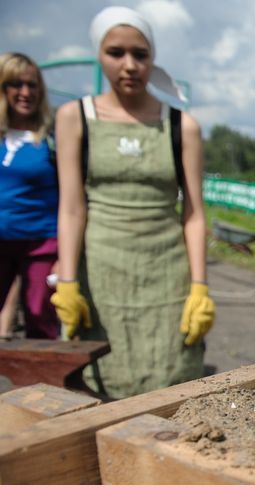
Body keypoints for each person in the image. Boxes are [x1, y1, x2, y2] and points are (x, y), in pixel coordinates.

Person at [51, 6, 214, 399]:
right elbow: (73, 208)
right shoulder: (75, 117)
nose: (129, 65)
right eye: (116, 53)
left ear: (152, 58)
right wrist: (69, 283)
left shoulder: (181, 126)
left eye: (140, 54)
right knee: (96, 383)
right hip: (101, 272)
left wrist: (199, 287)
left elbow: (192, 213)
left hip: (166, 275)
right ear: (99, 55)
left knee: (170, 377)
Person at [0, 52, 60, 339]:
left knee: (41, 319)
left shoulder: (52, 136)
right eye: (16, 84)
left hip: (41, 243)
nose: (25, 93)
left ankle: (41, 382)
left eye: (32, 85)